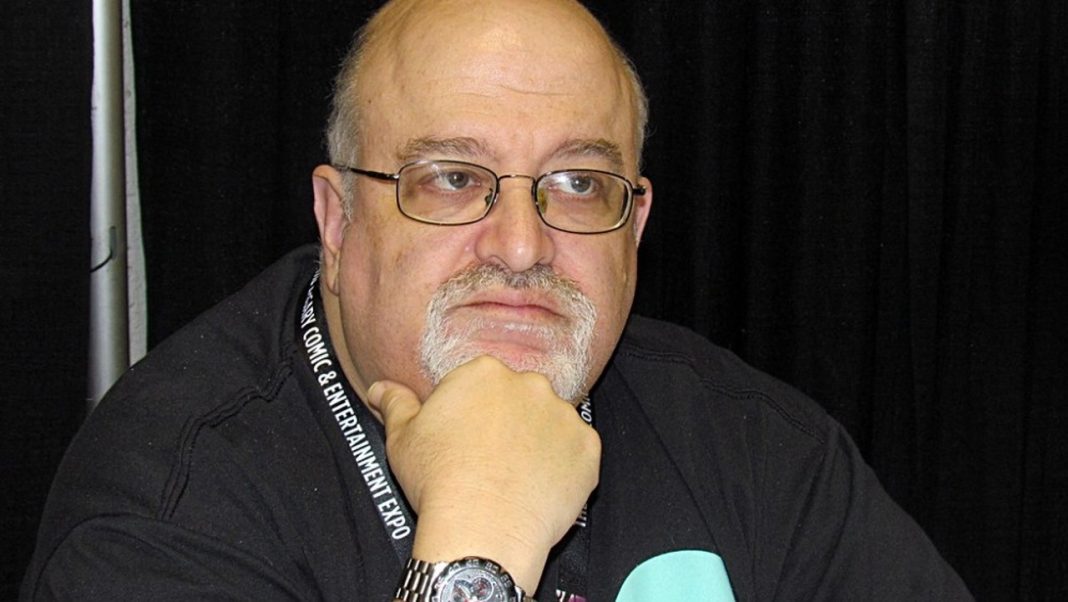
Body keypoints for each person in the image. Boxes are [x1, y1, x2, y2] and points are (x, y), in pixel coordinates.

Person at [22, 0, 973, 600]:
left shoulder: (755, 449)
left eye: (578, 184)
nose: (521, 246)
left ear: (635, 226)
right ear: (338, 221)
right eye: (450, 178)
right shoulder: (164, 512)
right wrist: (478, 544)